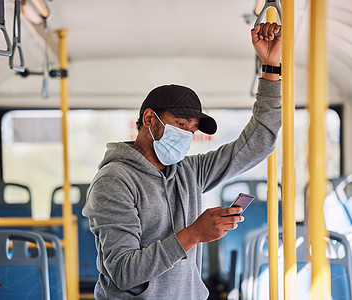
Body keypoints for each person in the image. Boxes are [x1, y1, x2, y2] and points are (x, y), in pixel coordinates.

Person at [83, 22, 282, 300]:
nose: (186, 136)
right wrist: (194, 234)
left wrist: (271, 70)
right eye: (179, 125)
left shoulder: (188, 171)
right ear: (150, 119)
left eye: (191, 130)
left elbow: (258, 142)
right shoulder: (114, 181)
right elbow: (124, 271)